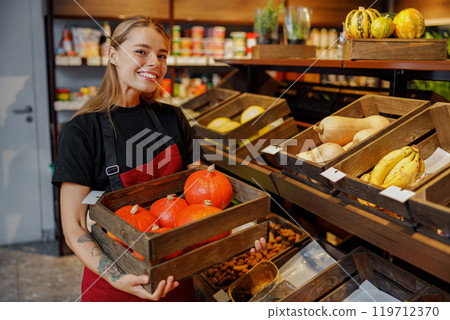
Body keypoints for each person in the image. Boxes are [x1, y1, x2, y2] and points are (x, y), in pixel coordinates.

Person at [52, 16, 265, 302]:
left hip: (176, 274)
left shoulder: (172, 118)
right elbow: (74, 226)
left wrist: (237, 229)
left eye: (162, 55)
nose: (155, 62)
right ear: (112, 54)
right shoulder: (81, 131)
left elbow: (201, 191)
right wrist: (117, 277)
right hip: (116, 283)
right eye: (142, 51)